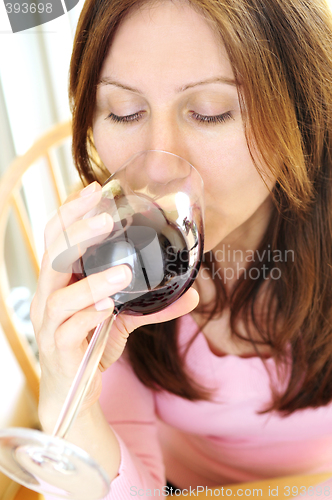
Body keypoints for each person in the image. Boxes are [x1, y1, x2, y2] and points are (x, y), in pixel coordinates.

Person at [31, 0, 332, 497]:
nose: (157, 167)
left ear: (301, 112)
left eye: (210, 114)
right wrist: (72, 403)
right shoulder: (114, 256)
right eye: (125, 113)